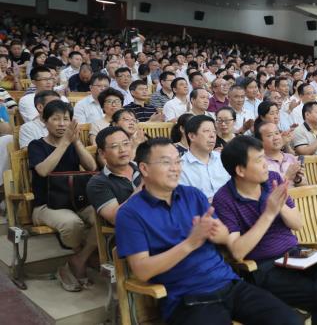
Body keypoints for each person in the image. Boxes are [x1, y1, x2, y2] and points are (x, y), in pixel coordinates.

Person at [115, 138, 301, 325]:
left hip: (229, 283)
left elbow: (225, 236)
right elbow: (142, 271)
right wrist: (190, 243)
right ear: (144, 169)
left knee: (290, 320)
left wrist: (216, 232)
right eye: (166, 162)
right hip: (187, 299)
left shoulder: (192, 195)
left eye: (178, 161)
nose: (175, 168)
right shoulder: (130, 213)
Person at [213, 136, 317, 325]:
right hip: (264, 267)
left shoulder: (273, 179)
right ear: (240, 170)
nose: (265, 164)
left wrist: (280, 205)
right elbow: (237, 252)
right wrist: (269, 213)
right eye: (259, 160)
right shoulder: (224, 198)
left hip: (295, 255)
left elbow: (297, 224)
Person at [28, 100, 97, 292]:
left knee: (103, 215)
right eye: (55, 119)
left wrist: (76, 142)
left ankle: (79, 259)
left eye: (66, 119)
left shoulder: (73, 144)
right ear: (44, 121)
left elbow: (92, 167)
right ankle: (82, 258)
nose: (61, 124)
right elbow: (43, 170)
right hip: (46, 205)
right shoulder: (36, 145)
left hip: (76, 201)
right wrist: (65, 143)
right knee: (72, 223)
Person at [87, 126, 142, 225]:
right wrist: (144, 186)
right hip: (131, 231)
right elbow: (115, 218)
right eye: (115, 146)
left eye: (126, 144)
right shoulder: (97, 183)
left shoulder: (144, 168)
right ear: (102, 153)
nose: (122, 150)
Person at [179, 115, 230, 202]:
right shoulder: (180, 167)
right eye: (206, 131)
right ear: (192, 136)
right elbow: (186, 201)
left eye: (214, 131)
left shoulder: (223, 158)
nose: (212, 135)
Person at [255, 121, 306, 186]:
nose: (276, 138)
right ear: (260, 142)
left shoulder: (291, 158)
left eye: (277, 133)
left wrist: (298, 179)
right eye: (269, 135)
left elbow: (304, 185)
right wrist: (287, 176)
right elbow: (268, 190)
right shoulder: (260, 163)